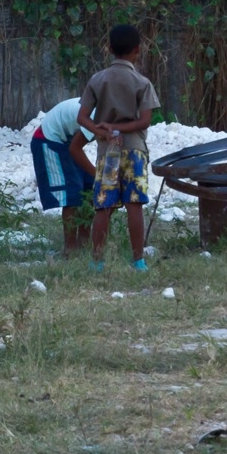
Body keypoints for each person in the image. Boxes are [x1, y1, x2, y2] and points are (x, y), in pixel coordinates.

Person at [79, 24, 159, 273]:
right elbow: (145, 121)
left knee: (103, 205)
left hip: (107, 151)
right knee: (134, 204)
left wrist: (102, 130)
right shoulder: (141, 81)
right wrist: (120, 127)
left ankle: (97, 261)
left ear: (109, 49)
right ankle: (138, 261)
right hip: (134, 148)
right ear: (138, 49)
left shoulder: (97, 79)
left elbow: (82, 118)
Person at [29, 95, 95, 253]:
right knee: (71, 192)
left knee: (89, 186)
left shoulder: (110, 112)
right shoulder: (96, 117)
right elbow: (75, 148)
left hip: (66, 140)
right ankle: (70, 248)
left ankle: (84, 242)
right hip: (48, 139)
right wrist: (99, 175)